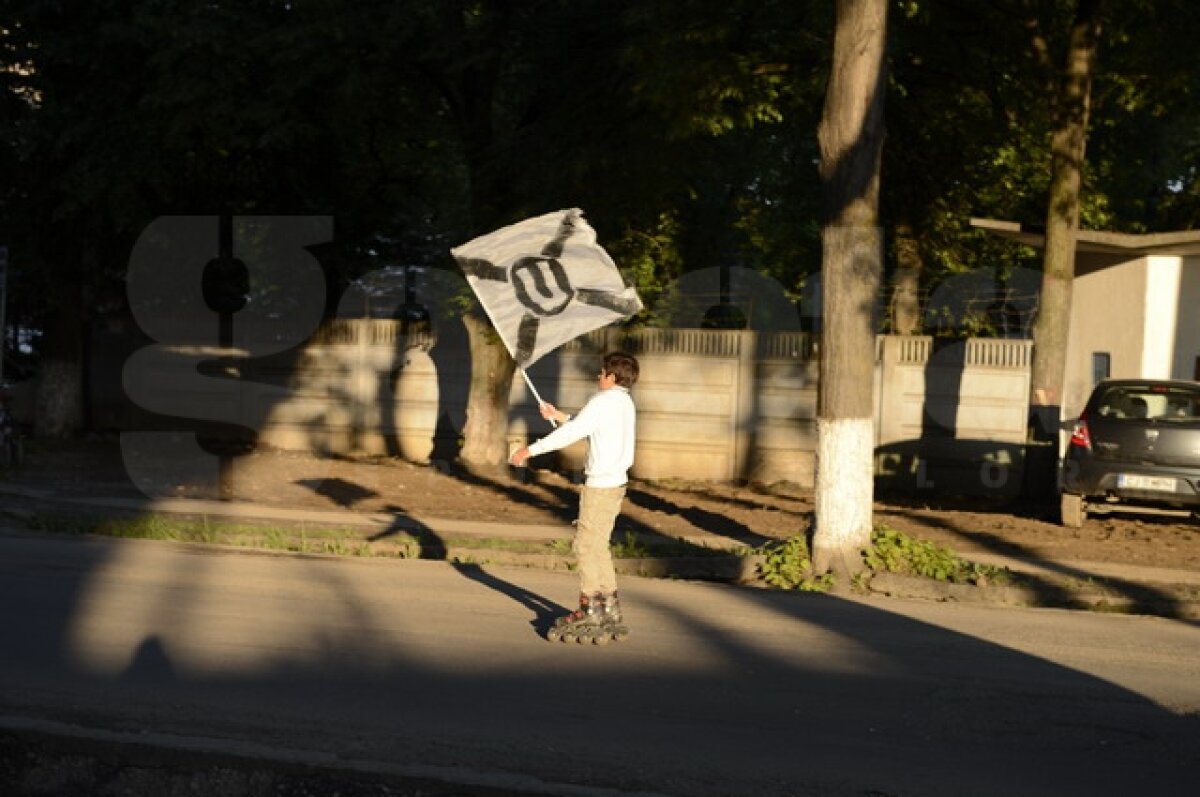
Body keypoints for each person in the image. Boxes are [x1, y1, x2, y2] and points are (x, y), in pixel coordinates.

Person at [509, 351, 639, 644]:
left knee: (584, 545)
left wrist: (529, 450)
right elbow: (589, 426)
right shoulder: (624, 402)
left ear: (612, 377)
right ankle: (609, 604)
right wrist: (559, 416)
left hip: (600, 487)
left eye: (602, 372)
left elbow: (572, 434)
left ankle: (589, 606)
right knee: (598, 546)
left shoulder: (603, 401)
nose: (598, 376)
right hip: (616, 484)